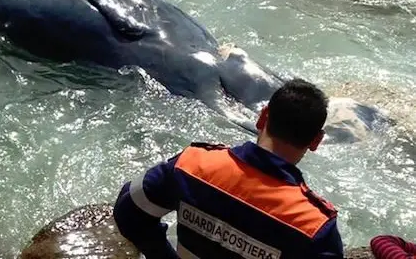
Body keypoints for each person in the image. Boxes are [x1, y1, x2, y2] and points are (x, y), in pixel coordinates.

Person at [113, 78, 344, 258]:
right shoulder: (313, 225)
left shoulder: (193, 165)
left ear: (263, 117)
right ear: (316, 141)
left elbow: (129, 208)